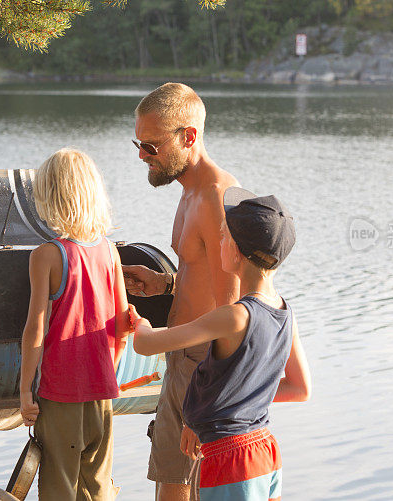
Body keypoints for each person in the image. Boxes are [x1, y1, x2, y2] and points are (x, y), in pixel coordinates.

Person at [130, 187, 312, 501]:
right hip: (265, 451)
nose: (220, 244)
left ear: (237, 252)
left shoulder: (233, 317)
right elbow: (299, 389)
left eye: (224, 237)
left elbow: (146, 345)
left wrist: (137, 321)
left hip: (230, 459)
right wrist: (214, 415)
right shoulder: (285, 312)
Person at [123, 82, 240, 501]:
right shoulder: (189, 191)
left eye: (151, 146)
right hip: (181, 360)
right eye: (139, 143)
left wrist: (207, 403)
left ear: (188, 137)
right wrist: (164, 284)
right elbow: (206, 276)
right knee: (169, 488)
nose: (141, 154)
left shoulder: (216, 197)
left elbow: (236, 311)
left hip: (203, 367)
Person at [19, 148, 130, 501]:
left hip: (59, 394)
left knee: (59, 487)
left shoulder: (46, 255)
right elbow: (123, 325)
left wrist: (24, 392)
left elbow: (35, 330)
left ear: (48, 198)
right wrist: (108, 369)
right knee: (97, 487)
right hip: (102, 394)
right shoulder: (109, 251)